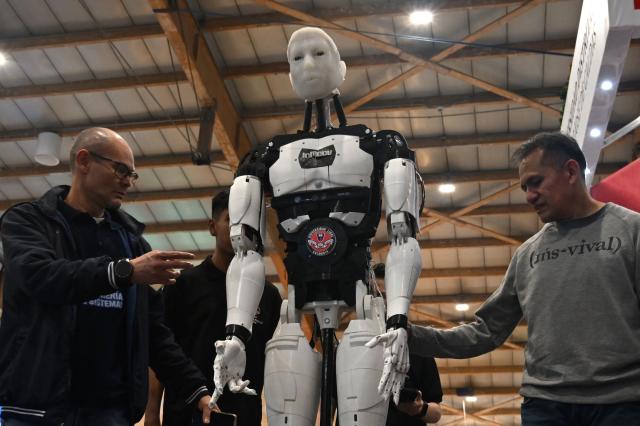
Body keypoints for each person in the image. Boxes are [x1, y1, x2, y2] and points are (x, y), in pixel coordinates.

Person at [211, 27, 423, 426]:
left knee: (362, 415)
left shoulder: (381, 146)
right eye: (296, 58)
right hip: (295, 306)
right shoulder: (264, 158)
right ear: (288, 75)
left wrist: (397, 319)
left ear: (341, 68)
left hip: (361, 302)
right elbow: (245, 251)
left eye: (319, 54)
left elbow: (403, 236)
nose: (308, 65)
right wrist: (236, 331)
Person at [404, 132, 640, 425]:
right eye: (525, 187)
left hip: (622, 405)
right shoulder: (528, 254)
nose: (529, 196)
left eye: (536, 182)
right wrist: (412, 336)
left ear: (570, 171)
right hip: (545, 406)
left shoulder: (631, 231)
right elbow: (486, 331)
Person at [0, 127, 212, 426]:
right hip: (38, 411)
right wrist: (122, 272)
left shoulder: (131, 242)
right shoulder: (29, 222)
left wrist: (196, 389)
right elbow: (42, 277)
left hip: (109, 413)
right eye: (121, 169)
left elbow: (152, 331)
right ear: (84, 161)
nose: (128, 181)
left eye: (132, 174)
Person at [145, 190, 281, 426]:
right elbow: (158, 352)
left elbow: (274, 366)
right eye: (231, 219)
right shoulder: (183, 285)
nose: (242, 228)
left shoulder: (268, 295)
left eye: (249, 221)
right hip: (186, 415)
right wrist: (151, 414)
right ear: (212, 226)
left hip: (244, 417)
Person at [372, 264, 442, 425]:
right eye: (376, 296)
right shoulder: (349, 347)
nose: (381, 303)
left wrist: (419, 408)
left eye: (386, 297)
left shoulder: (418, 346)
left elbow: (436, 412)